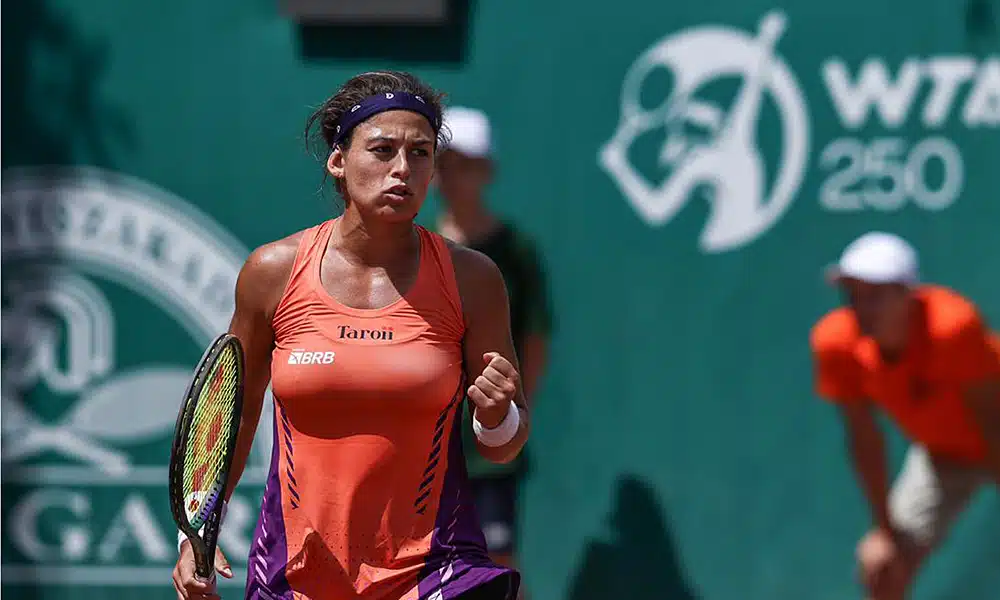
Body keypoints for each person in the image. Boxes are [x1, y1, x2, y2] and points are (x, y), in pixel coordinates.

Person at [171, 71, 529, 600]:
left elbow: (504, 447)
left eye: (420, 153)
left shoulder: (472, 279)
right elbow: (231, 414)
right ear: (338, 160)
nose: (402, 169)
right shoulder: (272, 273)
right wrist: (195, 532)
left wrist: (497, 416)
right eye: (382, 150)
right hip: (296, 573)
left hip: (434, 572)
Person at [809, 231, 1000, 600]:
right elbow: (864, 439)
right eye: (853, 296)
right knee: (883, 566)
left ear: (908, 296)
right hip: (943, 455)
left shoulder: (952, 327)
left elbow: (994, 422)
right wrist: (885, 531)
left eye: (876, 295)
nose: (862, 308)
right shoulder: (836, 343)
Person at [434, 107, 553, 597]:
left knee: (497, 560)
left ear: (488, 170)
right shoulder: (417, 250)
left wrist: (514, 412)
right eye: (444, 164)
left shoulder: (517, 252)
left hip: (489, 440)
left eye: (466, 164)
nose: (453, 176)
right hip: (428, 441)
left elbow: (535, 338)